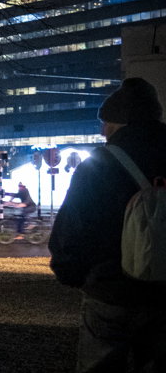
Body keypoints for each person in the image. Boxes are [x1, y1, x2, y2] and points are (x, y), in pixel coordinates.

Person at [49, 77, 166, 372]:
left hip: (110, 288)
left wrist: (71, 272)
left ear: (119, 123)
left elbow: (73, 226)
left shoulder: (101, 163)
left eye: (107, 124)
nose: (103, 131)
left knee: (100, 364)